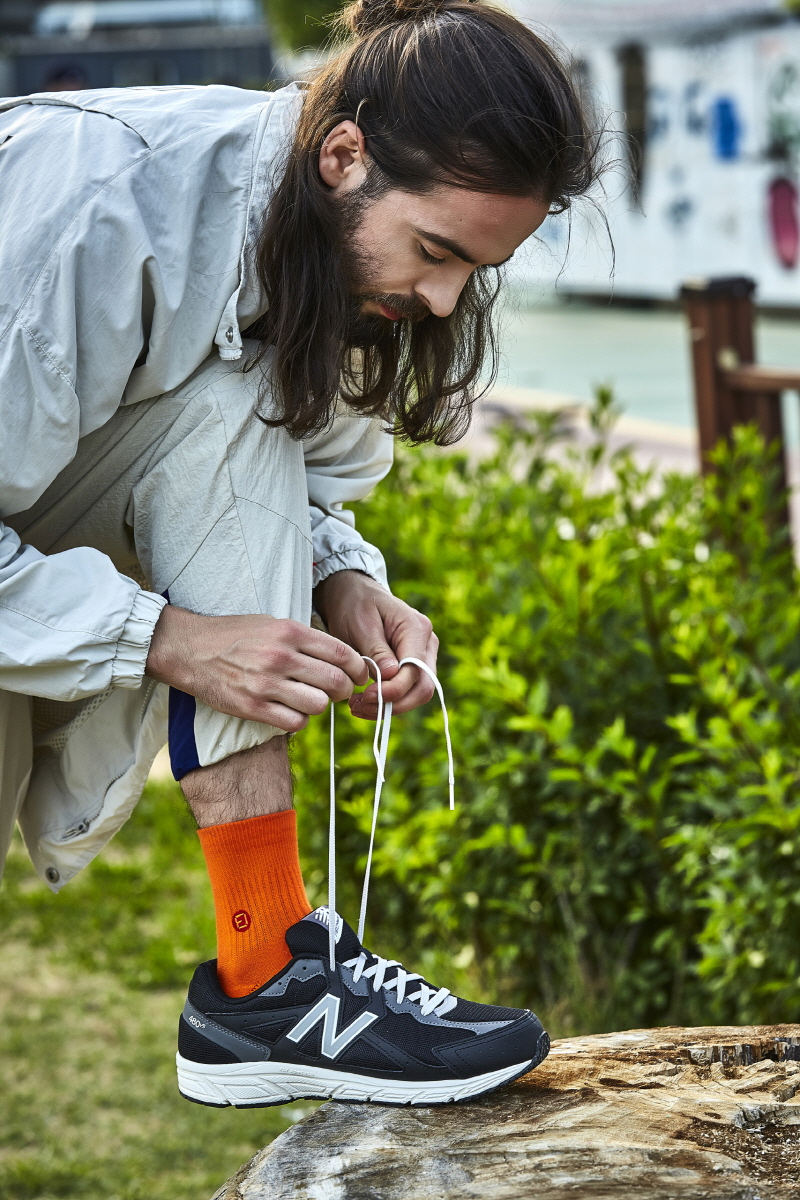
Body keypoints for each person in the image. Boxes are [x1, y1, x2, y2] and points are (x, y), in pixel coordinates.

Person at [0, 0, 597, 1106]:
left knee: (239, 399)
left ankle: (265, 971)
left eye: (475, 271)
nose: (441, 299)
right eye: (436, 251)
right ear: (342, 156)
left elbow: (228, 445)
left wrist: (340, 576)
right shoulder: (95, 207)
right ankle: (266, 974)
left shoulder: (317, 245)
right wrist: (170, 639)